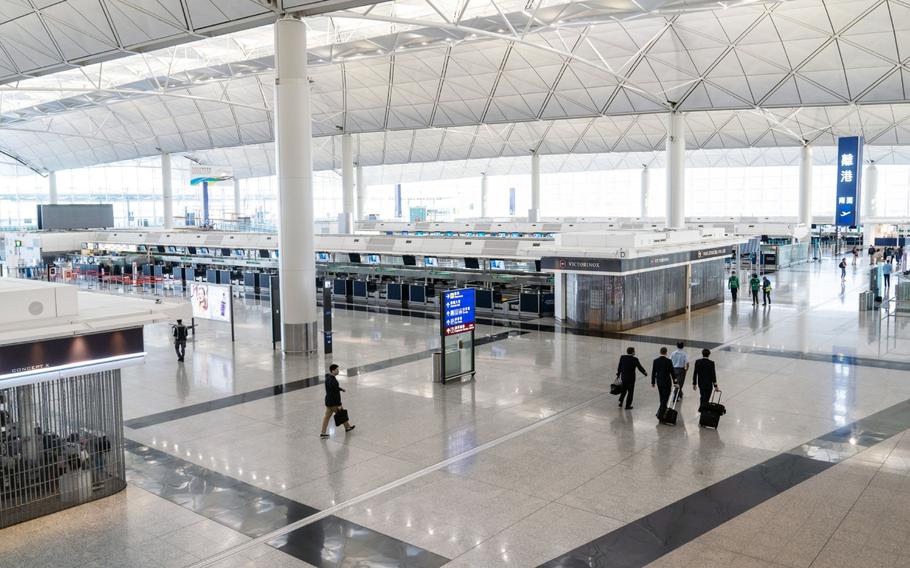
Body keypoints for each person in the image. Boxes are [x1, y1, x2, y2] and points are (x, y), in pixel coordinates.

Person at [320, 364, 354, 438]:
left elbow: (334, 388)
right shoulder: (333, 380)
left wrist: (341, 389)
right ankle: (347, 427)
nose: (338, 371)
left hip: (328, 401)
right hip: (334, 403)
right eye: (337, 370)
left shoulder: (328, 377)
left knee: (327, 417)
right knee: (341, 414)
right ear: (333, 370)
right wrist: (339, 404)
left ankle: (323, 432)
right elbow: (335, 394)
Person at [651, 347, 675, 420]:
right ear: (666, 352)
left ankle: (662, 413)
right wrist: (675, 382)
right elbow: (672, 372)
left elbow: (653, 372)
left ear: (660, 352)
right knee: (665, 398)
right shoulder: (669, 361)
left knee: (662, 397)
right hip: (667, 382)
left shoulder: (655, 361)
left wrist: (653, 382)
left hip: (659, 381)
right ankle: (660, 414)